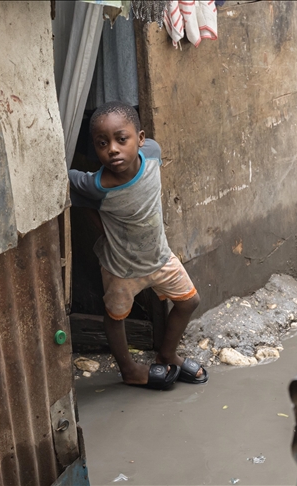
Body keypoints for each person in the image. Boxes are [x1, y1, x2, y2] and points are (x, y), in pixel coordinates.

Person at [68, 101, 207, 389]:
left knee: (189, 301)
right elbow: (64, 179)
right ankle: (128, 369)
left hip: (159, 257)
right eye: (102, 143)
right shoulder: (96, 186)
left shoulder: (153, 156)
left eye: (122, 139)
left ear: (140, 139)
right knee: (115, 315)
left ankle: (167, 353)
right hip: (122, 268)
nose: (113, 150)